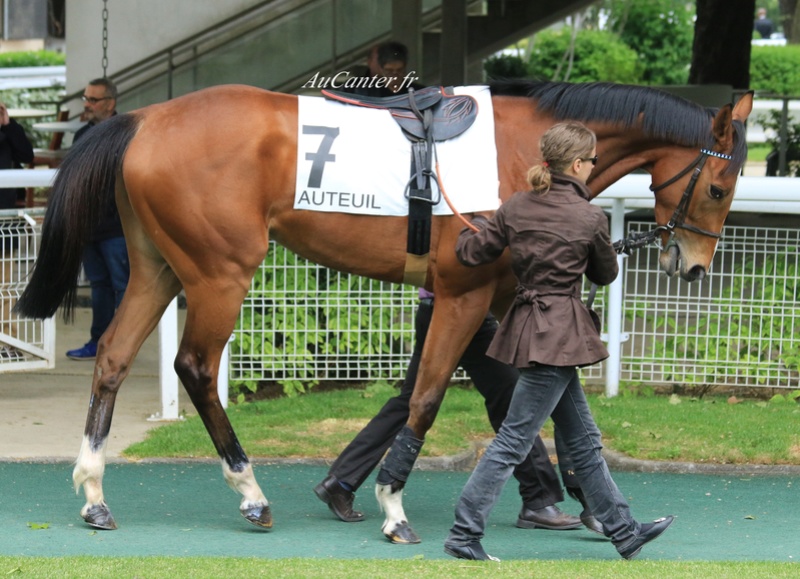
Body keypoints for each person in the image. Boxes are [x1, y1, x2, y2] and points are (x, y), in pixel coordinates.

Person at [443, 122, 674, 562]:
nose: (593, 166)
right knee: (514, 440)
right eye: (592, 160)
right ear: (576, 164)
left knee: (583, 438)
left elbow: (473, 253)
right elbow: (604, 275)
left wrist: (473, 226)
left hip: (531, 329)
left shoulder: (515, 207)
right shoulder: (589, 216)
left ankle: (624, 532)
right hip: (560, 336)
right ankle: (463, 534)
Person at [314, 287, 604, 534]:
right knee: (503, 396)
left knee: (420, 400)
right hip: (463, 309)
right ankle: (538, 501)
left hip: (442, 307)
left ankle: (340, 481)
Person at [65, 78, 130, 361]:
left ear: (110, 103)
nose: (87, 105)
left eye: (93, 100)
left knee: (123, 285)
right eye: (86, 99)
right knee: (99, 286)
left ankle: (124, 342)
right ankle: (99, 341)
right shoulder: (81, 135)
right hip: (89, 227)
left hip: (116, 227)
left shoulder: (126, 131)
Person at [0, 100, 34, 359]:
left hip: (4, 219)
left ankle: (6, 342)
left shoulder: (9, 130)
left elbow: (27, 155)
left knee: (5, 286)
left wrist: (8, 125)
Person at [342, 40, 423, 97]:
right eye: (389, 71)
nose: (394, 75)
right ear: (381, 69)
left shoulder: (419, 93)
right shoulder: (357, 90)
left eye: (399, 70)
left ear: (405, 68)